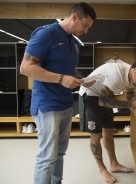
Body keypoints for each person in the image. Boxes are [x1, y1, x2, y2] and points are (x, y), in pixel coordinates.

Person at [20, 2, 96, 184]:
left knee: (59, 153)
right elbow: (25, 68)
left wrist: (80, 79)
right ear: (74, 17)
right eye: (85, 25)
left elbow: (67, 72)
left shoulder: (74, 43)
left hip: (66, 105)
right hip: (47, 105)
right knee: (47, 157)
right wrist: (62, 79)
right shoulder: (47, 33)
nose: (86, 30)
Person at [79, 59, 136, 183]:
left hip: (105, 96)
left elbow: (129, 93)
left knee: (108, 132)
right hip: (90, 96)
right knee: (96, 135)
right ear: (135, 70)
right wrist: (131, 104)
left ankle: (114, 164)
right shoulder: (115, 73)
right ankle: (102, 169)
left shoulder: (131, 75)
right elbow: (103, 101)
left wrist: (132, 101)